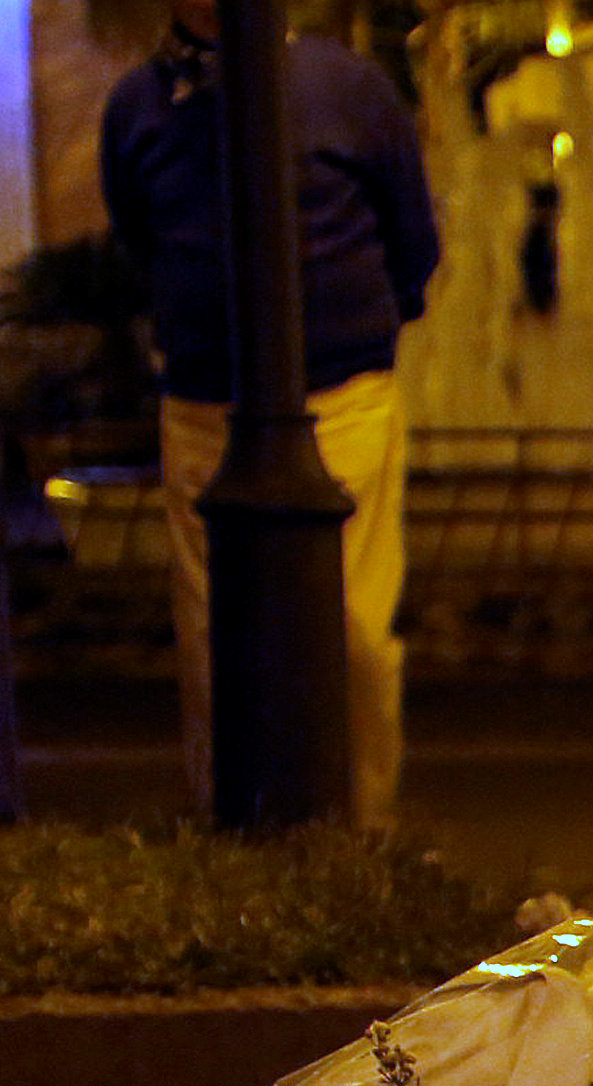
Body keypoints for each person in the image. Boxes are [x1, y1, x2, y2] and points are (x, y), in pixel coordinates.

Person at [102, 0, 437, 830]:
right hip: (205, 402)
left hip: (340, 392)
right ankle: (238, 832)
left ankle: (357, 826)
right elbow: (140, 236)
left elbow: (412, 236)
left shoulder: (345, 88)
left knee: (353, 633)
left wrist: (357, 330)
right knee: (213, 640)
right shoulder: (142, 104)